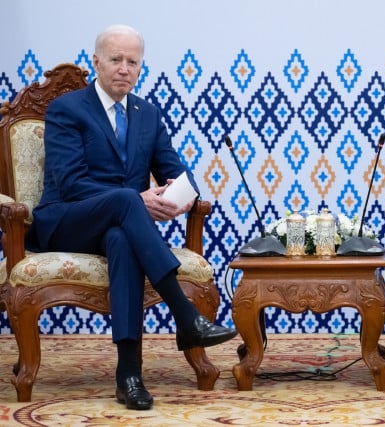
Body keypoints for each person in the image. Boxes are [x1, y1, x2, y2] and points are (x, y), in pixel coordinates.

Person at [25, 24, 237, 411]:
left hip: (118, 224)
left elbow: (176, 171)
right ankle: (185, 316)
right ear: (97, 63)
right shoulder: (67, 109)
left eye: (133, 62)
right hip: (64, 221)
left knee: (123, 237)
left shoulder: (148, 115)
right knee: (126, 200)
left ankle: (129, 375)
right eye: (116, 59)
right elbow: (70, 183)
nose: (124, 68)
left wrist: (182, 197)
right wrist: (137, 200)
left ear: (141, 67)